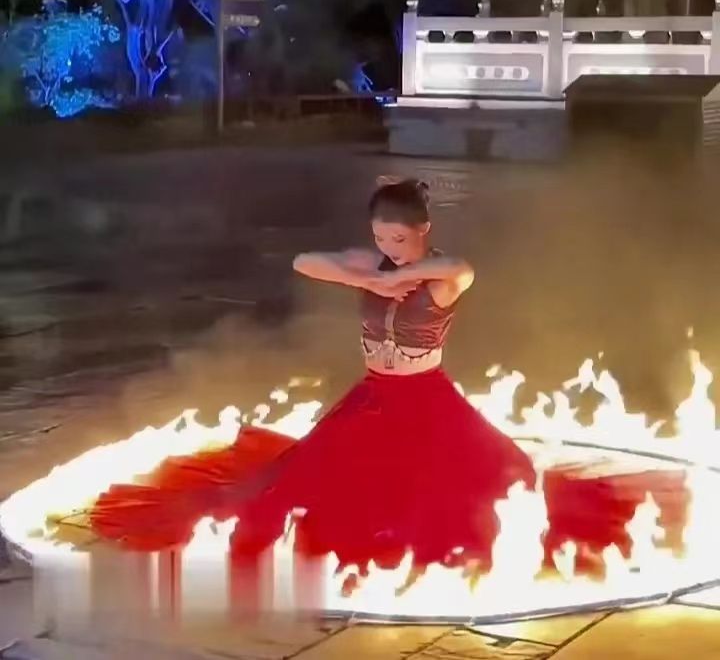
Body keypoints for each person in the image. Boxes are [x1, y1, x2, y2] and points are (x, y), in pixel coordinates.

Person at [89, 178, 688, 595]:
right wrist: (371, 277)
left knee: (445, 500)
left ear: (423, 230)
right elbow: (304, 260)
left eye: (399, 240)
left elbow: (459, 269)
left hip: (427, 402)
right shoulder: (373, 265)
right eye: (380, 239)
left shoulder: (442, 275)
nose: (388, 249)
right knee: (297, 488)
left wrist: (406, 273)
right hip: (372, 395)